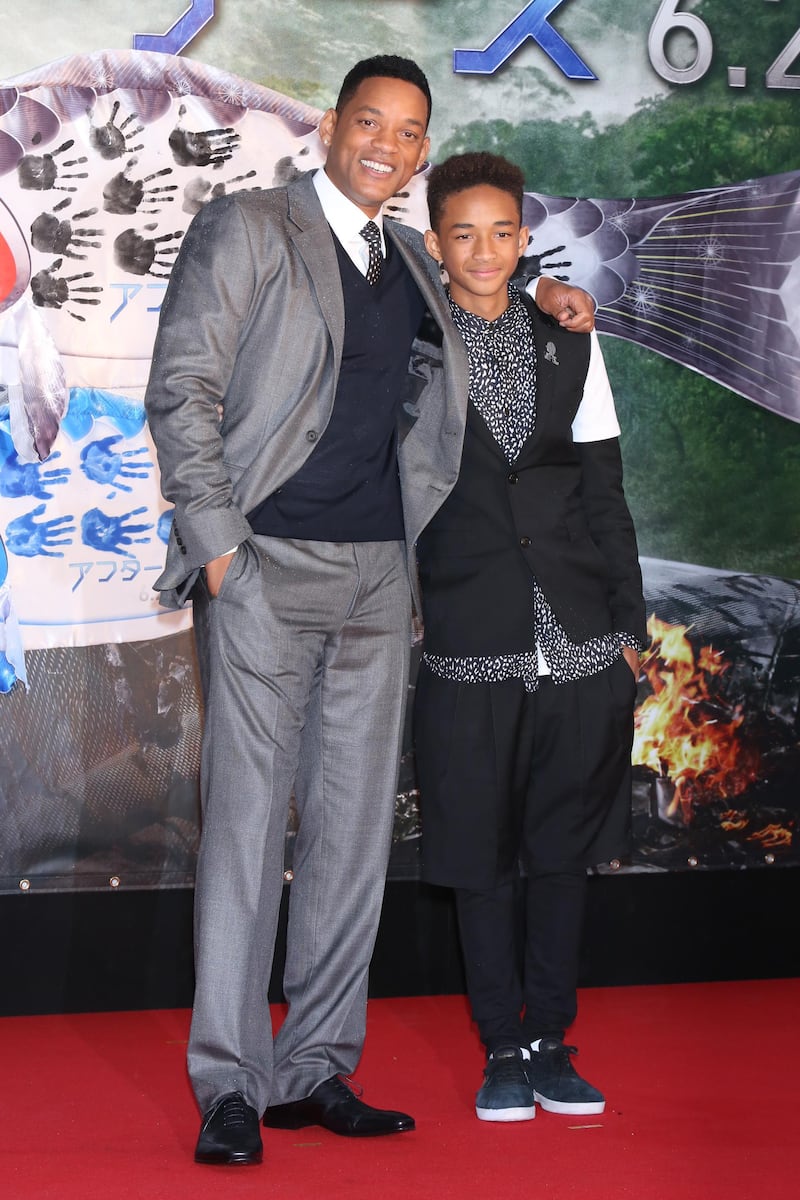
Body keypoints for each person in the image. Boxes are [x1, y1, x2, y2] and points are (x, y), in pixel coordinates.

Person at [145, 57, 595, 1167]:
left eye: (409, 130)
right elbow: (181, 387)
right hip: (261, 572)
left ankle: (313, 1072)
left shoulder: (408, 255)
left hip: (378, 579)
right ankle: (230, 1085)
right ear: (331, 128)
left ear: (420, 149)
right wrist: (218, 553)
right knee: (249, 833)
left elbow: (481, 304)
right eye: (368, 123)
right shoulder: (249, 227)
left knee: (350, 842)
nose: (387, 145)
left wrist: (548, 298)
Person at [412, 152, 646, 1124]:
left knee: (558, 856)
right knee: (480, 857)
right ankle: (498, 1048)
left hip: (582, 640)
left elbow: (604, 494)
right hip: (469, 636)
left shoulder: (570, 344)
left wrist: (627, 627)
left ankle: (551, 1037)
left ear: (522, 237)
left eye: (500, 232)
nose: (482, 250)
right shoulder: (408, 349)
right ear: (435, 243)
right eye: (460, 233)